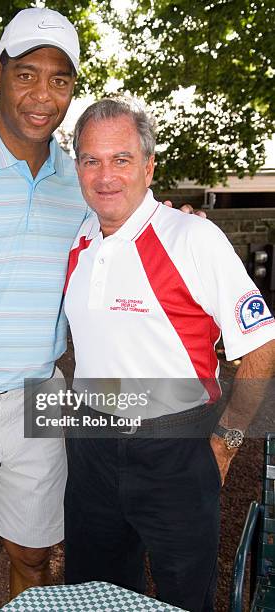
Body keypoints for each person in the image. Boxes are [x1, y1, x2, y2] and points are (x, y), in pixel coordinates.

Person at [0, 8, 203, 611]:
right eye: (26, 74)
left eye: (59, 79)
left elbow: (131, 224)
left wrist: (184, 228)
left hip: (41, 394)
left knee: (34, 554)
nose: (42, 95)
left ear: (73, 88)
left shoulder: (79, 183)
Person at [63, 98, 275, 611]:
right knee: (96, 595)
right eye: (92, 160)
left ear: (149, 165)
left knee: (184, 597)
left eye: (122, 159)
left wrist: (229, 439)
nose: (105, 175)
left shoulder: (193, 237)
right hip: (91, 445)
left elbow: (262, 346)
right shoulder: (80, 238)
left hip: (175, 447)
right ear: (78, 168)